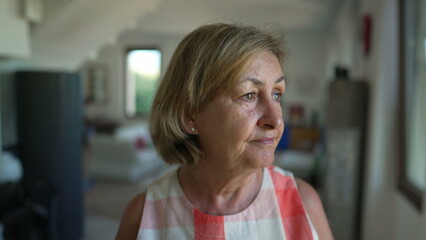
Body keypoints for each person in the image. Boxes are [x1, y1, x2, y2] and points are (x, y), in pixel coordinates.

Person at [116, 23, 333, 240]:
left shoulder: (304, 204)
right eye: (249, 95)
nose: (276, 120)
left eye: (277, 94)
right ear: (189, 115)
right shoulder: (144, 215)